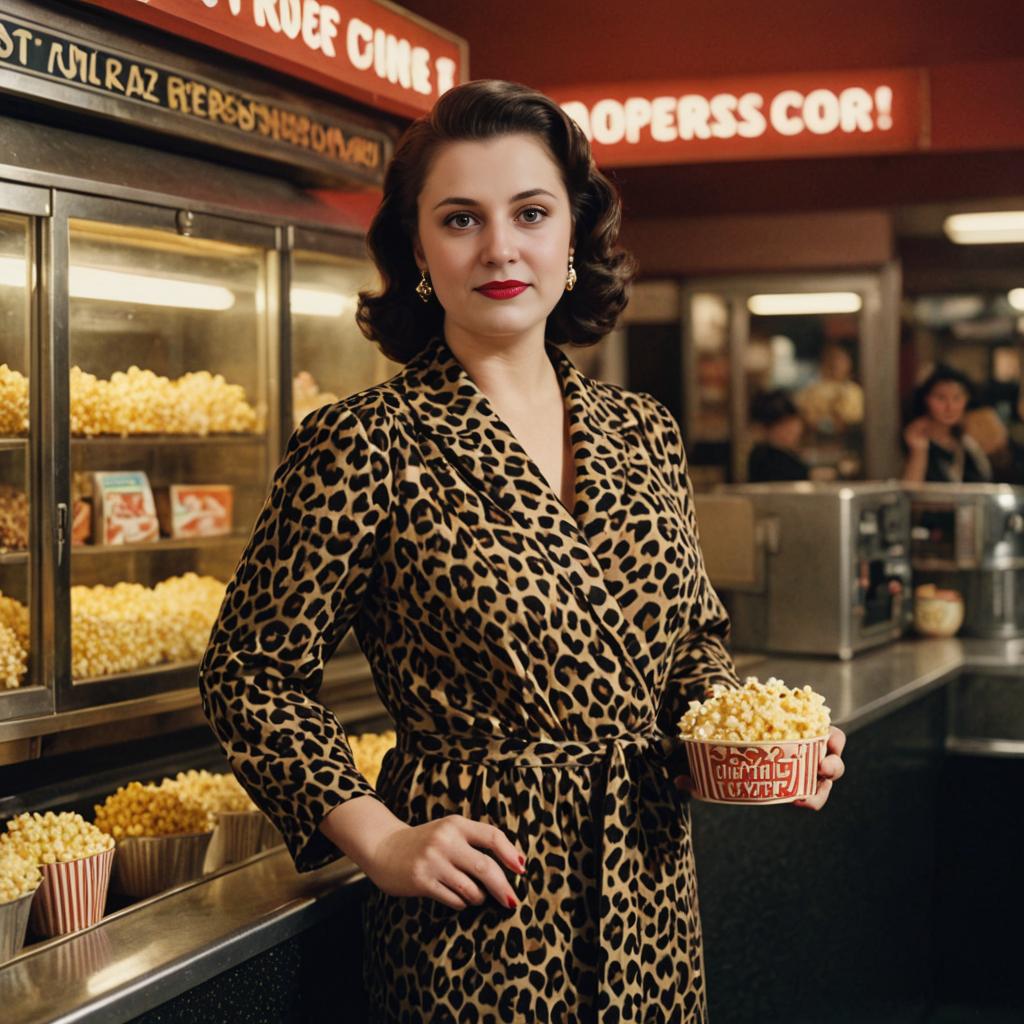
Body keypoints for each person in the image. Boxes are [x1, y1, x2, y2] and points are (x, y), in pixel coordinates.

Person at [198, 79, 846, 1023]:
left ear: (572, 238)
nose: (500, 247)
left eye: (531, 213)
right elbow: (250, 673)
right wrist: (377, 838)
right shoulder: (365, 440)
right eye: (461, 219)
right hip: (481, 913)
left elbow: (691, 645)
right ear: (418, 249)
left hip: (652, 893)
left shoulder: (644, 432)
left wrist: (756, 738)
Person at [902, 364, 993, 483]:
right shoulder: (913, 438)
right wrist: (919, 451)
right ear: (925, 400)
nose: (950, 407)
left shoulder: (967, 441)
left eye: (957, 398)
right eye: (941, 398)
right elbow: (910, 491)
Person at [747, 389, 811, 482]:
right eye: (783, 425)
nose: (793, 429)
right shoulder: (766, 458)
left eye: (793, 422)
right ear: (765, 429)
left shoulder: (784, 454)